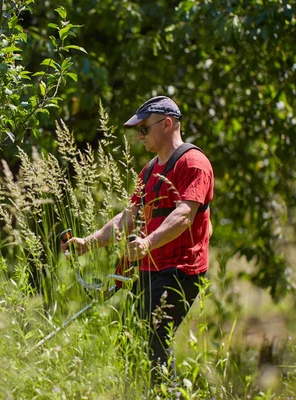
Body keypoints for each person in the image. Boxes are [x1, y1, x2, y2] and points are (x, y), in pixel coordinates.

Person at [60, 95, 214, 383]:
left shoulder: (194, 164)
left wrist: (147, 243)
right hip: (148, 269)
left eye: (144, 128)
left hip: (179, 271)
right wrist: (88, 242)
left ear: (167, 124)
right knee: (130, 342)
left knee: (151, 339)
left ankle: (169, 394)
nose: (139, 135)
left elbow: (184, 215)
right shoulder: (150, 170)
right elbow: (128, 217)